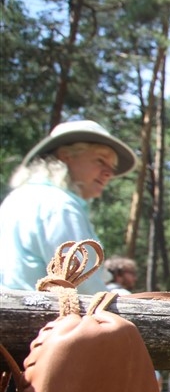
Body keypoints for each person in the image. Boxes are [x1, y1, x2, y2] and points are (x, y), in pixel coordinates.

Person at [0, 120, 137, 294]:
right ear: (65, 156)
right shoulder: (60, 205)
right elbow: (83, 287)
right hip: (46, 318)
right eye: (101, 161)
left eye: (112, 167)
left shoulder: (18, 198)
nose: (109, 173)